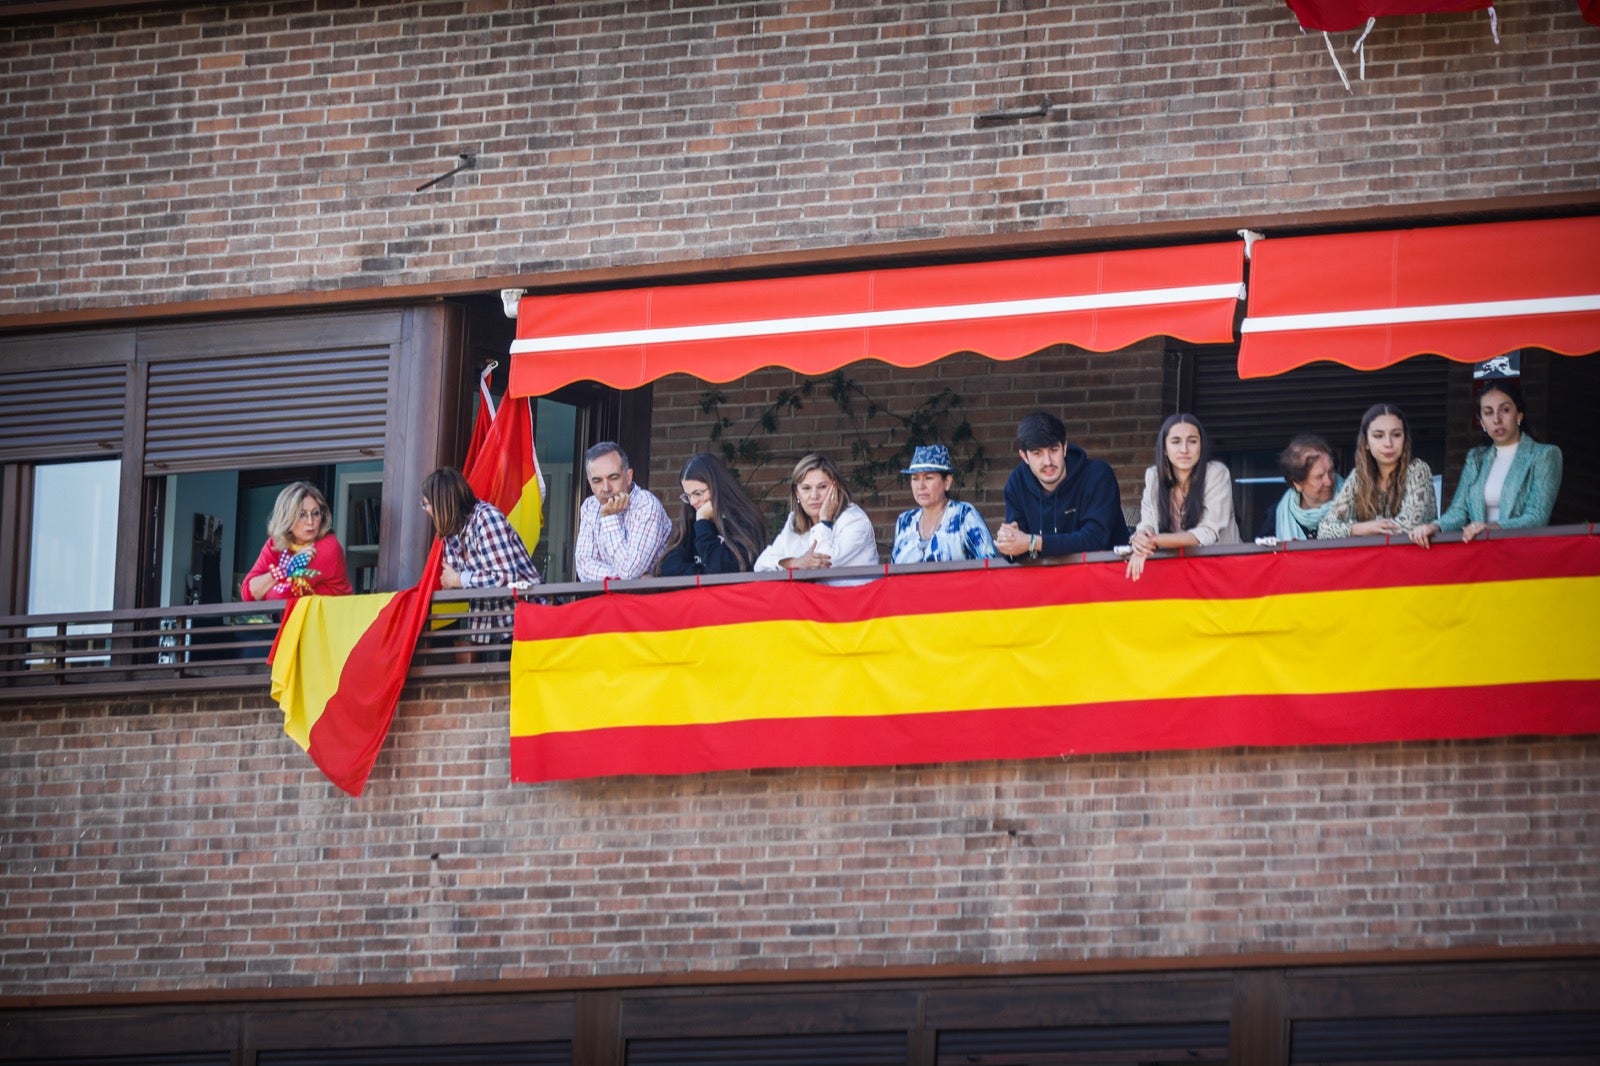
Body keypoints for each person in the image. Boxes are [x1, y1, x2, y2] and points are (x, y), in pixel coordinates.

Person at [1409, 379, 1563, 548]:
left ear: (1519, 415)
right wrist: (1435, 526)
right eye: (1488, 413)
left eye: (1505, 410)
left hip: (1523, 553)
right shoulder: (1476, 458)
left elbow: (1537, 516)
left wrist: (1491, 528)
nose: (1496, 419)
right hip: (1482, 556)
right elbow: (1458, 511)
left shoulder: (1545, 455)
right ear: (1482, 422)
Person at [995, 411, 1129, 561]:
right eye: (1037, 453)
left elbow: (1095, 539)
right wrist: (1009, 543)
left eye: (1053, 450)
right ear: (1024, 456)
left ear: (1064, 448)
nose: (1047, 461)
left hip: (1103, 577)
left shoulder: (1098, 476)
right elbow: (1020, 550)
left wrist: (1033, 542)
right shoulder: (1017, 483)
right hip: (1046, 580)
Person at [1126, 414, 1240, 581]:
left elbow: (1208, 533)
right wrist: (1141, 542)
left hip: (1223, 571)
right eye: (1176, 441)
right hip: (1177, 573)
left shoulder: (1216, 473)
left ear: (1201, 445)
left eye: (1192, 441)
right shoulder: (1154, 476)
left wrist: (1154, 541)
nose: (1184, 449)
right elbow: (1147, 523)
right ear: (1164, 448)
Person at [1318, 403, 1437, 539]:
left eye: (1396, 435)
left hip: (1415, 557)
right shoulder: (1359, 477)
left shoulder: (1417, 470)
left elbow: (1408, 526)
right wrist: (1362, 528)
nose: (1388, 443)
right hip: (1373, 559)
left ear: (1405, 439)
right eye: (1378, 436)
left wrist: (1369, 530)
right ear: (1366, 443)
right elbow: (1324, 529)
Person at [755, 453, 880, 573]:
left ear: (836, 488)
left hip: (852, 594)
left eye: (822, 487)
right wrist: (796, 563)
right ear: (797, 493)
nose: (814, 496)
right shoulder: (793, 522)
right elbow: (760, 565)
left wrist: (824, 521)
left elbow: (825, 562)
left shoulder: (855, 520)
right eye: (806, 488)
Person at [656, 452, 768, 576]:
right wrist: (705, 574)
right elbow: (669, 567)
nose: (693, 502)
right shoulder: (691, 519)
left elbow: (723, 571)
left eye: (698, 493)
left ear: (717, 488)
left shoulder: (745, 522)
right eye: (688, 496)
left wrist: (703, 524)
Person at [573, 441, 671, 582]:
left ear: (628, 476)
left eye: (613, 478)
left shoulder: (646, 505)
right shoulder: (590, 506)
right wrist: (627, 577)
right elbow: (584, 568)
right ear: (590, 483)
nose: (606, 488)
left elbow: (629, 570)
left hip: (648, 599)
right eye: (597, 481)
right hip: (607, 599)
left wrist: (609, 517)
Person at [241, 481, 353, 601]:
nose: (310, 522)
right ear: (286, 517)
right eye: (301, 514)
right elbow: (248, 593)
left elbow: (279, 597)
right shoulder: (276, 543)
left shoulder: (328, 547)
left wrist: (269, 583)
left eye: (315, 513)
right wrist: (286, 568)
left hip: (332, 618)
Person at [890, 444, 997, 564]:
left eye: (928, 478)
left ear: (947, 482)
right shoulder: (904, 521)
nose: (920, 486)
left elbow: (990, 565)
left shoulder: (964, 515)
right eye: (915, 479)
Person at [1261, 433, 1342, 541]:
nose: (1329, 482)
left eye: (1331, 472)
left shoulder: (1359, 502)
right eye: (1319, 477)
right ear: (1297, 484)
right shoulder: (1275, 518)